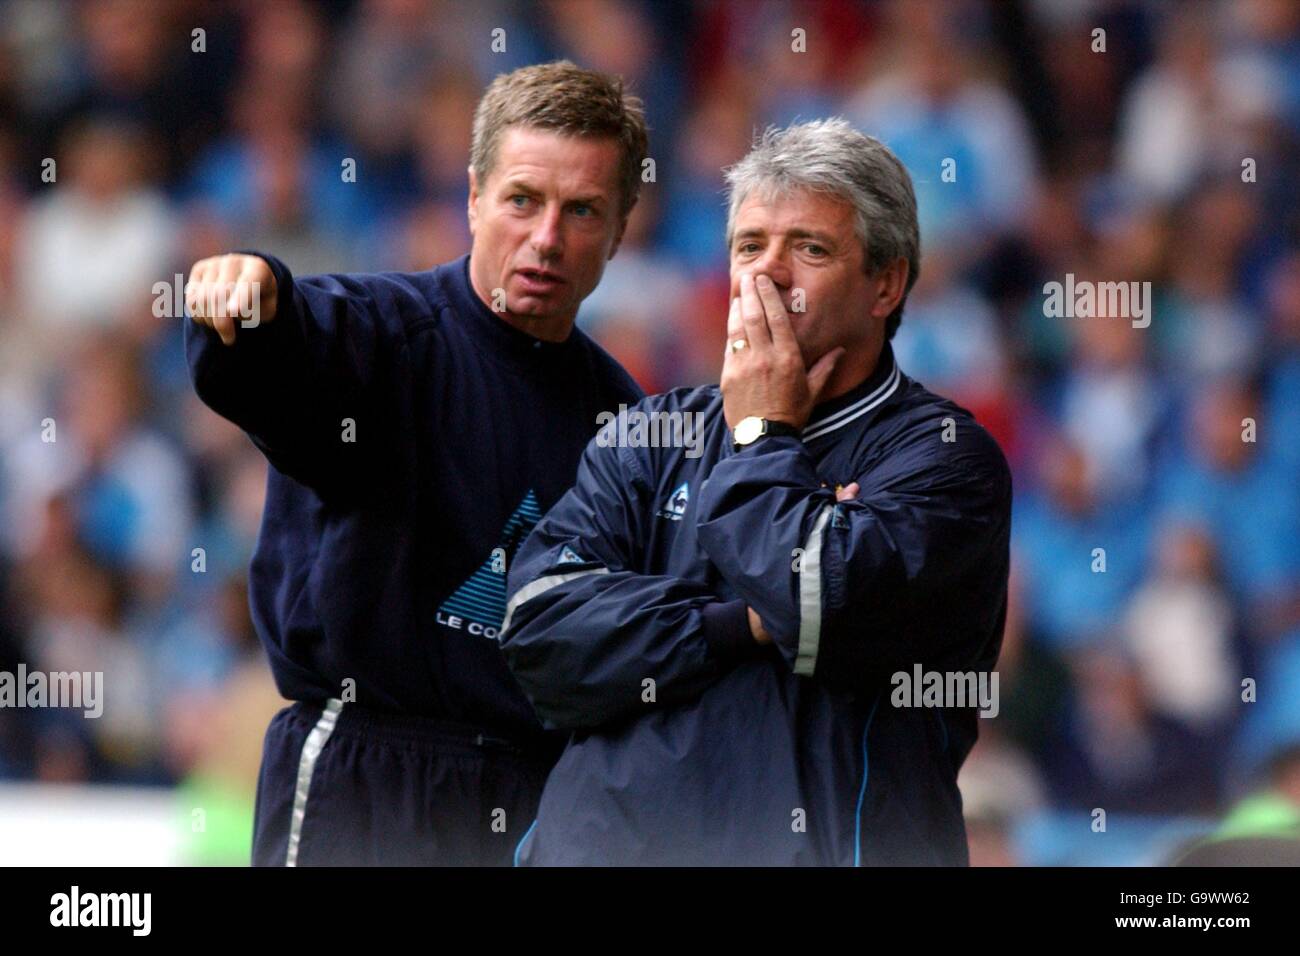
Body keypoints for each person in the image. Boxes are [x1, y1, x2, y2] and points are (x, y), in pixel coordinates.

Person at [501, 119, 1012, 865]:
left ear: (886, 284)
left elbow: (811, 606)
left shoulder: (944, 459)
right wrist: (736, 625)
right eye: (749, 246)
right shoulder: (651, 431)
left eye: (809, 248)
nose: (766, 275)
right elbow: (538, 630)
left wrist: (762, 435)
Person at [184, 61, 646, 865]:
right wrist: (250, 299)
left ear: (620, 227)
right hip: (362, 780)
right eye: (522, 200)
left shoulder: (624, 419)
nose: (546, 238)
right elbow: (287, 349)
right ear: (472, 197)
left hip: (532, 799)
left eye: (581, 211)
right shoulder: (383, 336)